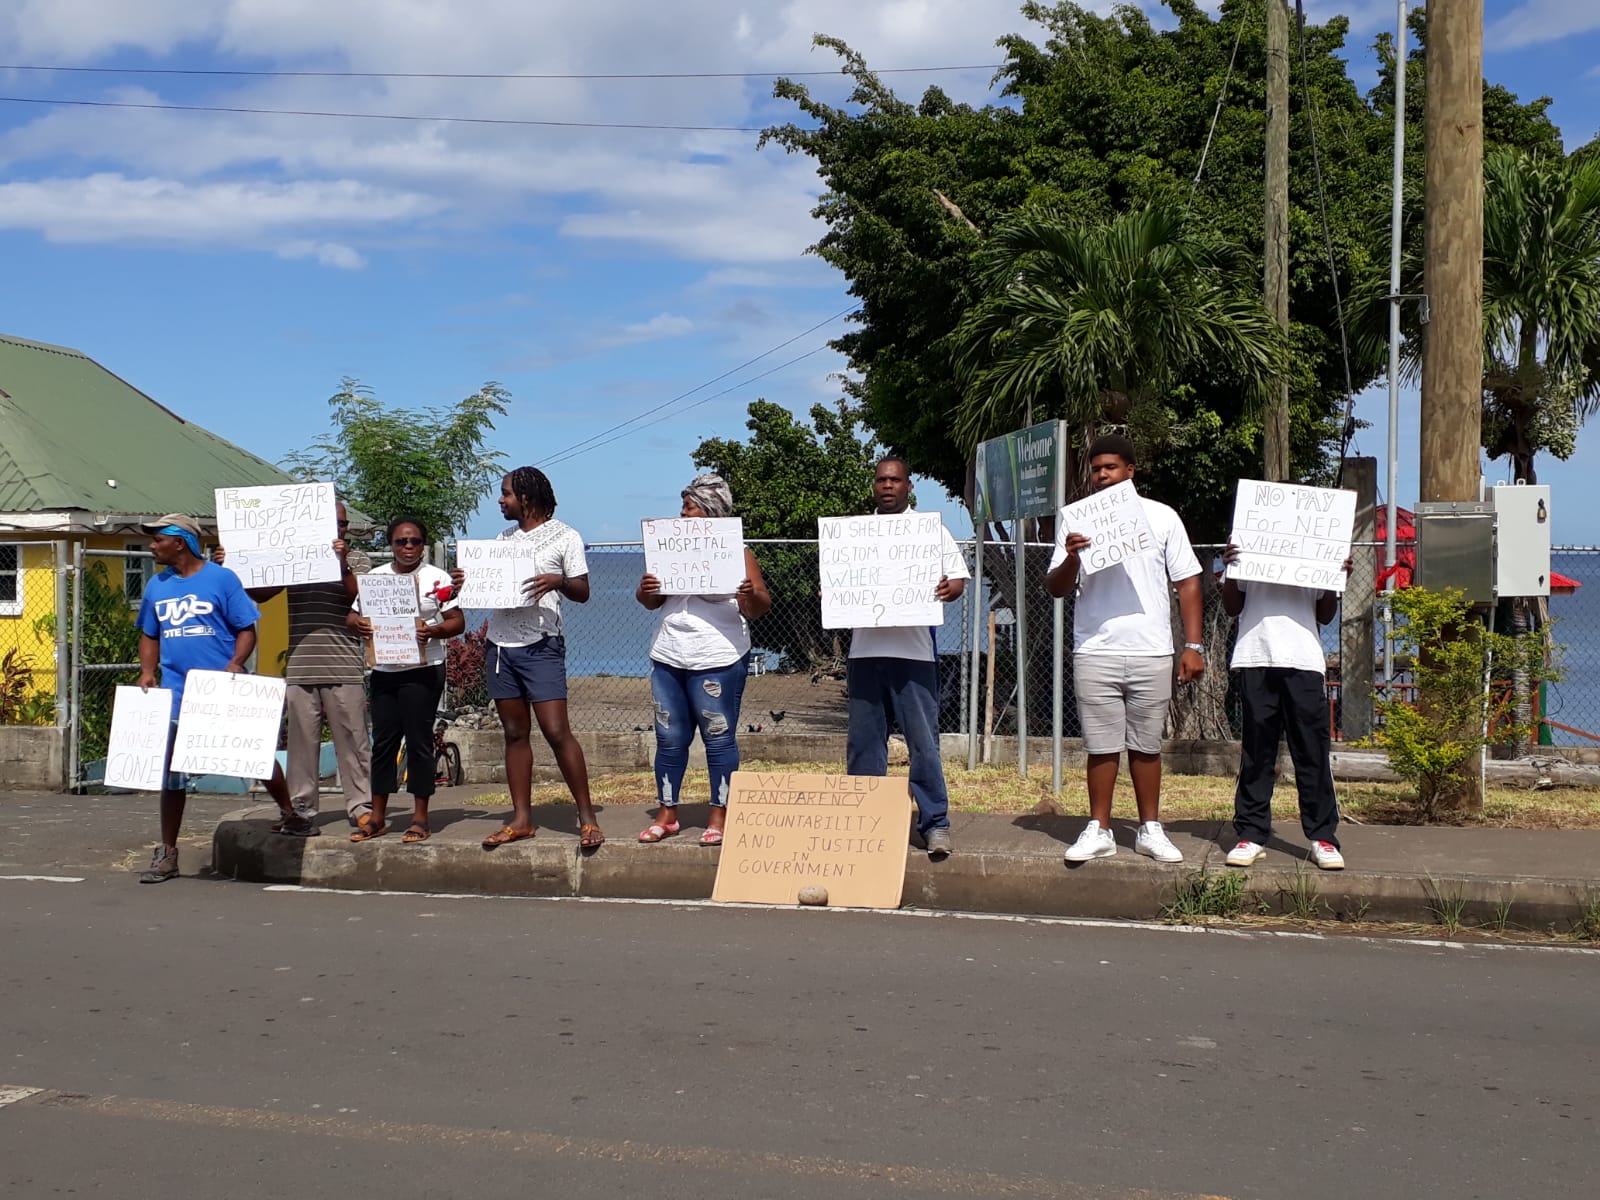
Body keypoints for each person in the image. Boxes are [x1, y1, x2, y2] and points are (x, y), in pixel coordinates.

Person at [1046, 434, 1204, 865]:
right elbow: (1055, 587)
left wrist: (1192, 644)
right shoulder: (1075, 522)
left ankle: (1150, 828)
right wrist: (1073, 557)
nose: (1102, 476)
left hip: (1152, 649)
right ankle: (1099, 828)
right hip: (1095, 649)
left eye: (1110, 467)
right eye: (1096, 469)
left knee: (1146, 746)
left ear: (1130, 471)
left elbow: (1188, 580)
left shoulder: (1162, 517)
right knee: (1100, 746)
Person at [451, 467, 605, 849]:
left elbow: (583, 591)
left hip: (542, 645)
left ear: (527, 496)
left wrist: (559, 581)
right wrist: (464, 583)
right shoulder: (503, 539)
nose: (500, 501)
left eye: (505, 494)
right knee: (515, 734)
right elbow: (490, 588)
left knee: (556, 731)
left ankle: (586, 817)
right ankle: (521, 819)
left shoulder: (565, 536)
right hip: (502, 647)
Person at [135, 514, 291, 883]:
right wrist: (147, 671)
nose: (152, 546)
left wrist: (236, 663)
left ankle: (290, 813)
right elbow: (149, 634)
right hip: (176, 692)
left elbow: (245, 628)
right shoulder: (157, 586)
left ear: (180, 541)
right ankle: (169, 853)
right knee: (171, 775)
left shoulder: (221, 579)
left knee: (254, 756)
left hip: (221, 689)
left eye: (158, 539)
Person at [213, 499, 371, 836]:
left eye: (342, 524)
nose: (339, 529)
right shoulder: (294, 560)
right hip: (301, 664)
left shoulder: (356, 560)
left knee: (355, 742)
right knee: (301, 745)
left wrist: (341, 563)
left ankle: (361, 807)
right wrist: (234, 566)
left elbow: (361, 599)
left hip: (344, 664)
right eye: (332, 523)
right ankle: (301, 809)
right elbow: (262, 593)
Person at [635, 474, 771, 846]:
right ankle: (667, 813)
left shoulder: (737, 552)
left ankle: (720, 814)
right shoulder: (668, 549)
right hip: (668, 653)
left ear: (711, 511)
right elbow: (650, 601)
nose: (682, 514)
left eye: (690, 506)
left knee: (718, 737)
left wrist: (748, 594)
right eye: (683, 506)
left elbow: (760, 606)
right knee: (669, 736)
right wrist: (647, 590)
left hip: (718, 655)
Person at [845, 456, 968, 859]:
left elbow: (957, 579)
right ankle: (866, 821)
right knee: (865, 745)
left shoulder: (930, 531)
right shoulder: (855, 534)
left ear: (909, 486)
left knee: (923, 744)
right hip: (865, 653)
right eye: (881, 480)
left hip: (914, 655)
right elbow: (838, 581)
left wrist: (951, 589)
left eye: (895, 480)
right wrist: (835, 596)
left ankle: (935, 824)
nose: (887, 486)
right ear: (874, 485)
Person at [1220, 542, 1348, 870]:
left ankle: (1323, 837)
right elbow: (1233, 606)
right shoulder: (1249, 544)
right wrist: (1232, 568)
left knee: (1311, 752)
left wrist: (1334, 579)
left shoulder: (1316, 549)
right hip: (1256, 655)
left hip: (1303, 660)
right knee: (1257, 752)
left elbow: (1325, 613)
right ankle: (1251, 832)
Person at [350, 517, 465, 844]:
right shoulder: (375, 579)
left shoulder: (436, 578)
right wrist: (358, 624)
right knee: (383, 744)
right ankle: (378, 817)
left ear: (423, 545)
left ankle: (420, 818)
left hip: (424, 670)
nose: (409, 547)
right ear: (390, 544)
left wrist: (433, 631)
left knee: (418, 741)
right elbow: (353, 615)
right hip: (385, 671)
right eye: (402, 541)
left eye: (415, 541)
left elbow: (457, 621)